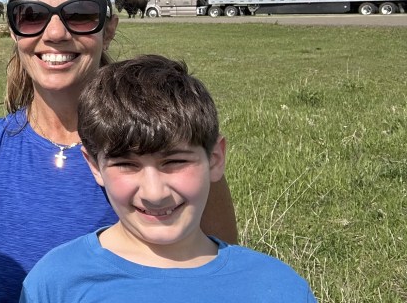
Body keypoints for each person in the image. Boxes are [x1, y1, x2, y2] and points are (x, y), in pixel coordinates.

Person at [0, 0, 238, 303]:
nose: (55, 33)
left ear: (108, 30)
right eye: (32, 15)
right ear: (14, 30)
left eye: (80, 14)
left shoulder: (168, 147)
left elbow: (223, 278)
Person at [20, 55, 316, 301]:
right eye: (126, 165)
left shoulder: (279, 289)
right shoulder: (55, 284)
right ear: (94, 166)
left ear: (215, 159)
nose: (154, 192)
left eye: (174, 162)